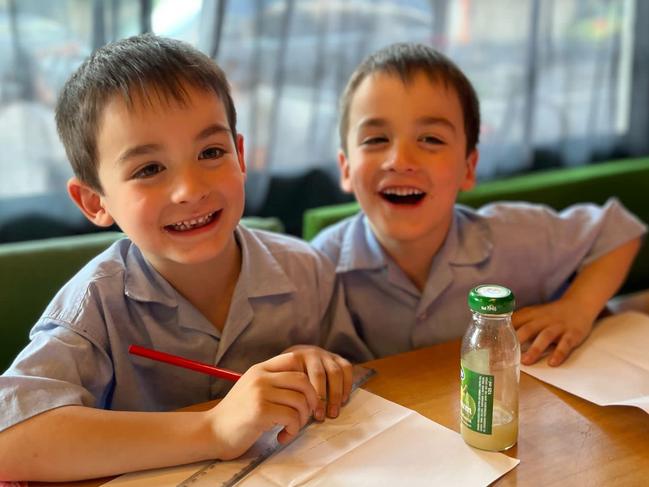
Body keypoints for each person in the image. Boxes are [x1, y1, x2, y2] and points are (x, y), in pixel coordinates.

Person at [0, 34, 371, 482]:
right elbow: (11, 441)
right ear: (95, 201)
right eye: (149, 169)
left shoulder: (307, 269)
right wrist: (213, 427)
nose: (191, 190)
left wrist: (319, 363)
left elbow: (363, 373)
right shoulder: (95, 306)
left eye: (210, 152)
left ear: (239, 155)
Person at [312, 42, 646, 366]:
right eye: (376, 139)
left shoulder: (513, 237)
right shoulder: (317, 269)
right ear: (345, 168)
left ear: (468, 168)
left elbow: (619, 230)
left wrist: (577, 307)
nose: (400, 160)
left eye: (430, 139)